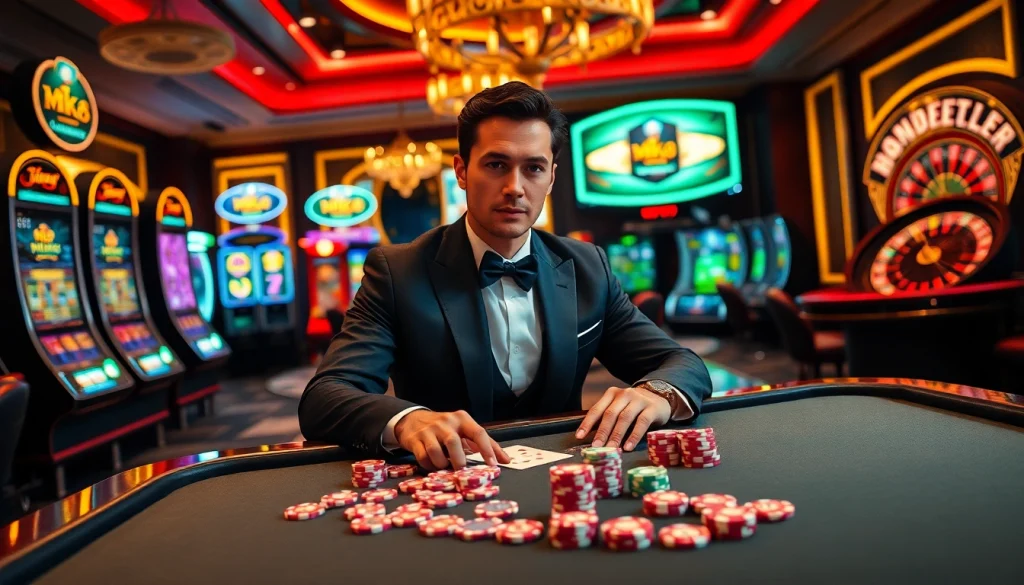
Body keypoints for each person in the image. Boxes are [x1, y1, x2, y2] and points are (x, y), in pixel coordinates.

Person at [299, 82, 713, 470]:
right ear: (461, 172)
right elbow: (325, 396)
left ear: (551, 177)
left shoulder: (588, 266)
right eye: (496, 164)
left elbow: (681, 362)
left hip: (566, 479)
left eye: (533, 168)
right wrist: (409, 420)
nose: (515, 187)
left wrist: (654, 394)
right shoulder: (398, 271)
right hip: (449, 485)